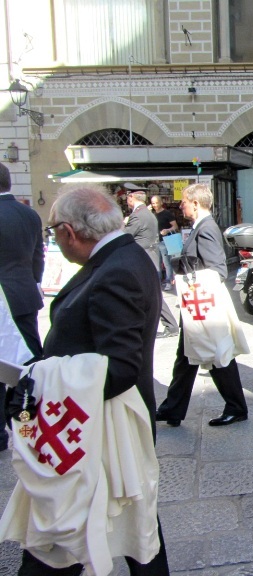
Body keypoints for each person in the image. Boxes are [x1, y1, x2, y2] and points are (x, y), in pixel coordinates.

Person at [18, 184, 169, 574]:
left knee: (63, 535)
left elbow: (119, 365)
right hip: (97, 422)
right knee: (139, 528)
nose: (55, 239)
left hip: (95, 428)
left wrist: (43, 376)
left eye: (53, 232)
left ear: (69, 232)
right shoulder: (123, 257)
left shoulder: (116, 270)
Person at [156, 183, 248, 428]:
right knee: (185, 358)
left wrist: (191, 281)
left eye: (184, 202)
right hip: (196, 305)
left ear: (195, 204)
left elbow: (217, 269)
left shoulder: (206, 228)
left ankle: (237, 407)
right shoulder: (201, 226)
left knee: (218, 355)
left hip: (203, 305)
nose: (181, 206)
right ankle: (172, 410)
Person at [0, 163, 44, 452]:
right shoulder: (29, 214)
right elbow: (38, 255)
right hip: (25, 294)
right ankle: (32, 415)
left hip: (3, 299)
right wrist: (34, 281)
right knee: (28, 363)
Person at [125, 190, 179, 339]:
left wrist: (124, 223)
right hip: (149, 256)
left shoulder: (138, 215)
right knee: (147, 293)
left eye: (128, 197)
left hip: (144, 258)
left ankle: (171, 325)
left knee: (151, 294)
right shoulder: (147, 214)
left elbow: (125, 235)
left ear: (132, 198)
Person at [150, 195, 179, 289]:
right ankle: (158, 281)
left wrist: (167, 230)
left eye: (156, 203)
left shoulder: (167, 213)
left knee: (167, 262)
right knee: (156, 263)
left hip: (165, 241)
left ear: (161, 202)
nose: (154, 205)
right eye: (153, 203)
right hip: (155, 241)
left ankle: (169, 281)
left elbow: (175, 226)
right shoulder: (152, 214)